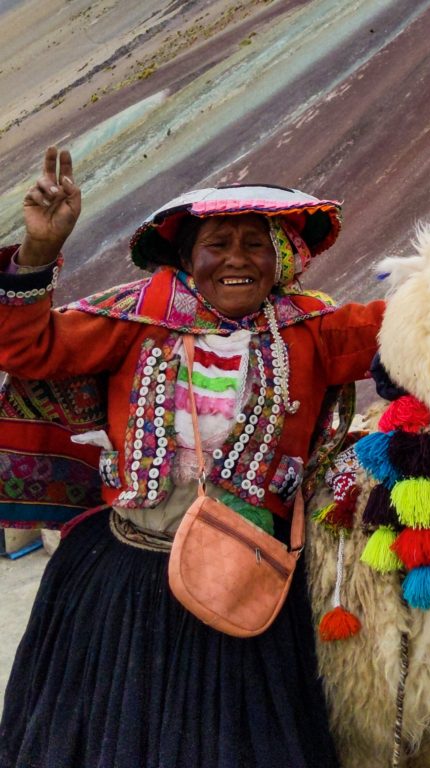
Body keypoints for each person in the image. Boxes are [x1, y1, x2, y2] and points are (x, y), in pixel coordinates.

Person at [0, 147, 385, 768]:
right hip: (128, 583)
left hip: (249, 581)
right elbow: (26, 347)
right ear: (188, 259)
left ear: (282, 258)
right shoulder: (132, 318)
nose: (237, 258)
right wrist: (40, 249)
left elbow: (420, 327)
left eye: (256, 244)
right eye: (218, 243)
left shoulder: (312, 329)